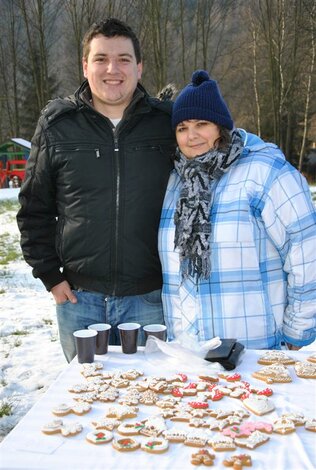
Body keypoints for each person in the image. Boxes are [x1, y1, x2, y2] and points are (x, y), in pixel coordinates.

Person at [17, 18, 175, 362]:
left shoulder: (168, 124)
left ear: (139, 67)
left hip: (151, 298)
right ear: (85, 66)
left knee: (150, 402)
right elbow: (33, 208)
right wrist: (50, 277)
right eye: (101, 58)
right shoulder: (56, 125)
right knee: (86, 403)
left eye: (123, 59)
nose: (112, 69)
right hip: (79, 300)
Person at [159, 69, 316, 350]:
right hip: (189, 353)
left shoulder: (265, 172)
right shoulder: (176, 182)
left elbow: (306, 252)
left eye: (201, 124)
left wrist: (297, 331)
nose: (191, 136)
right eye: (182, 128)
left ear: (221, 126)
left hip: (253, 351)